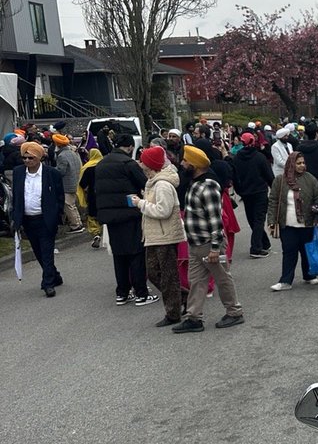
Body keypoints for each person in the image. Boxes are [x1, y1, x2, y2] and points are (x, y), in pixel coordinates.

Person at [174, 146, 244, 331]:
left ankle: (234, 312)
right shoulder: (195, 183)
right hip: (196, 243)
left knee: (222, 279)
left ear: (194, 164)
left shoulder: (208, 186)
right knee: (196, 281)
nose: (182, 164)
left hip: (208, 243)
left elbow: (216, 220)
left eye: (185, 161)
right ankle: (194, 317)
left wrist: (215, 248)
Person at [94, 133, 156, 306]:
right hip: (130, 212)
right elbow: (144, 183)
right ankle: (141, 293)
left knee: (119, 254)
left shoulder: (101, 164)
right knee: (136, 253)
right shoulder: (128, 164)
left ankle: (122, 292)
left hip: (109, 214)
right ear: (129, 147)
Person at [131, 144, 186, 325]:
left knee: (167, 274)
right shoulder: (153, 182)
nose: (141, 164)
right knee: (154, 272)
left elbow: (163, 211)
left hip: (165, 235)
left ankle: (173, 313)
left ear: (151, 165)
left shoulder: (162, 184)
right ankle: (182, 296)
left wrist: (141, 204)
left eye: (143, 162)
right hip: (155, 234)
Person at [11, 141, 65, 296]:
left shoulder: (51, 173)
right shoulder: (19, 172)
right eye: (24, 158)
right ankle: (55, 275)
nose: (27, 161)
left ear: (39, 158)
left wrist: (57, 214)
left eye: (30, 158)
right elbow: (17, 196)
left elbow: (59, 196)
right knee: (39, 252)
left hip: (46, 219)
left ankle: (48, 283)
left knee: (47, 252)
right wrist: (16, 217)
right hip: (28, 220)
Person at [267, 150, 318, 290]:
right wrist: (272, 221)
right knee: (289, 252)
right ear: (291, 164)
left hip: (307, 223)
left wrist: (317, 216)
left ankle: (309, 275)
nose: (302, 166)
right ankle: (285, 281)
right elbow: (273, 201)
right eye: (298, 163)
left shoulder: (310, 179)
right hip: (287, 224)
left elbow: (317, 198)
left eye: (303, 163)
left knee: (306, 251)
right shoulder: (280, 180)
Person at [231, 131, 273, 257]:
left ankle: (264, 243)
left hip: (245, 193)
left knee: (252, 219)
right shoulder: (259, 157)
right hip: (259, 191)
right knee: (259, 219)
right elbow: (268, 175)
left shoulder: (237, 157)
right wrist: (274, 188)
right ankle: (256, 248)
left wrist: (239, 191)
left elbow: (234, 176)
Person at [52, 134, 85, 233]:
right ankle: (78, 223)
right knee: (73, 205)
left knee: (68, 205)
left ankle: (75, 226)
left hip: (67, 184)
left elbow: (61, 171)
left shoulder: (62, 156)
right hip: (75, 181)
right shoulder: (72, 153)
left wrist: (52, 170)